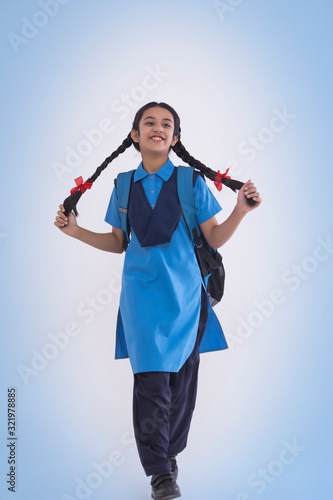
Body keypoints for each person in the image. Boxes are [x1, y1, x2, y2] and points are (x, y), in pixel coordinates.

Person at [54, 101, 261, 500]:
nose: (158, 128)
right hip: (142, 303)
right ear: (135, 135)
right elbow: (118, 242)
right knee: (151, 386)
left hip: (187, 301)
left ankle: (169, 453)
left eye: (166, 124)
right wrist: (77, 233)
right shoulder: (122, 185)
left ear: (175, 138)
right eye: (149, 122)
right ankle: (160, 474)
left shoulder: (191, 183)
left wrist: (240, 212)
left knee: (181, 388)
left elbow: (213, 238)